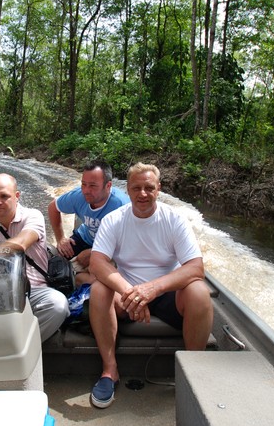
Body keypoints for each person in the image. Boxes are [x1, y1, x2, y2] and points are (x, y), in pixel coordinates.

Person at [87, 162, 214, 408]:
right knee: (99, 289)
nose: (142, 194)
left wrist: (152, 289)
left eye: (149, 188)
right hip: (128, 293)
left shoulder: (175, 220)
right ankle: (109, 370)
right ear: (128, 189)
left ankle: (193, 372)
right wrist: (130, 292)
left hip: (168, 293)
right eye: (136, 188)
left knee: (199, 290)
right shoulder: (114, 220)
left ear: (159, 189)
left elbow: (195, 268)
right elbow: (97, 263)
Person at [0, 173, 69, 341]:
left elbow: (21, 243)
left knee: (58, 306)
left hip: (33, 291)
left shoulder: (32, 216)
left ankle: (17, 348)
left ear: (17, 196)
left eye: (4, 196)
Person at [47, 160, 129, 285]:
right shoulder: (78, 196)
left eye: (92, 186)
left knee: (102, 278)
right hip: (84, 237)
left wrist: (93, 253)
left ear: (108, 186)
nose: (86, 190)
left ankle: (79, 277)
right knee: (53, 268)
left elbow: (129, 242)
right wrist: (61, 239)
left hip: (112, 247)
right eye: (83, 184)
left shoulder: (122, 206)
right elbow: (53, 207)